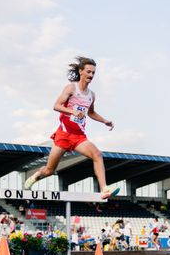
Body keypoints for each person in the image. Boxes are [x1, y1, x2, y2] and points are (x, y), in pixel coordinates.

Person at [24, 56, 119, 200]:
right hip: (63, 134)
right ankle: (37, 175)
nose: (91, 75)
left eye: (93, 73)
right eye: (88, 72)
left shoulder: (91, 95)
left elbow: (91, 112)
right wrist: (72, 111)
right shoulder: (71, 88)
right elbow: (56, 106)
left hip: (78, 136)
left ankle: (104, 189)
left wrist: (104, 121)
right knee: (49, 171)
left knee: (97, 155)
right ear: (81, 71)